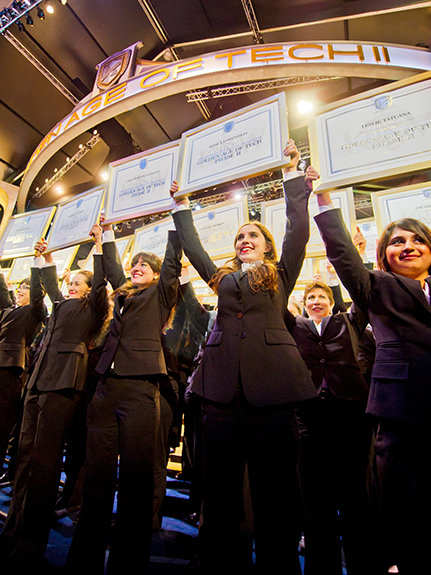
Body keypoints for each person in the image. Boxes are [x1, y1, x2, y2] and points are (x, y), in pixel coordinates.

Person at [169, 139, 317, 574]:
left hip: (271, 394)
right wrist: (182, 205)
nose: (244, 240)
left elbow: (297, 231)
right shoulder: (223, 280)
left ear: (267, 246)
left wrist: (291, 175)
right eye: (239, 237)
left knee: (274, 496)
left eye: (253, 235)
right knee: (220, 493)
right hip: (220, 395)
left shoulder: (281, 273)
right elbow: (195, 250)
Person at [313, 184, 431, 575]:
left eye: (418, 240)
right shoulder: (377, 286)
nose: (409, 246)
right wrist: (324, 200)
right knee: (404, 508)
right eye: (398, 242)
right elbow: (343, 255)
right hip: (400, 413)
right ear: (383, 256)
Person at [65, 223, 182, 575]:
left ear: (157, 274)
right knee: (97, 476)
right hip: (105, 389)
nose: (137, 267)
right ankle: (83, 561)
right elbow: (115, 269)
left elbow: (172, 262)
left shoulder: (161, 293)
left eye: (145, 264)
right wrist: (105, 238)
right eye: (135, 263)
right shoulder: (123, 295)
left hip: (140, 389)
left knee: (136, 480)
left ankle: (127, 565)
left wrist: (176, 215)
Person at [0, 230, 109, 571]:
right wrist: (43, 259)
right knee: (24, 460)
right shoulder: (60, 306)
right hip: (37, 383)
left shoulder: (93, 308)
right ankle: (12, 532)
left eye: (78, 283)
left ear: (89, 290)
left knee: (44, 466)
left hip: (63, 385)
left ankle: (30, 544)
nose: (72, 286)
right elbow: (47, 286)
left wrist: (99, 245)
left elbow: (102, 281)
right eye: (70, 282)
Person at [285, 278, 383, 575]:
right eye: (311, 297)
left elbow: (362, 295)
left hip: (350, 418)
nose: (316, 301)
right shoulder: (295, 326)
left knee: (356, 499)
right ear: (304, 304)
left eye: (321, 297)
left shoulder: (348, 322)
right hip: (309, 419)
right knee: (316, 502)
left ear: (331, 303)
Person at [0, 272, 47, 482]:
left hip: (11, 369)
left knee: (3, 423)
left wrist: (37, 267)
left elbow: (37, 296)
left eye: (25, 288)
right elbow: (3, 293)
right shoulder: (9, 309)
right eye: (19, 287)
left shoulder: (34, 311)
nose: (20, 290)